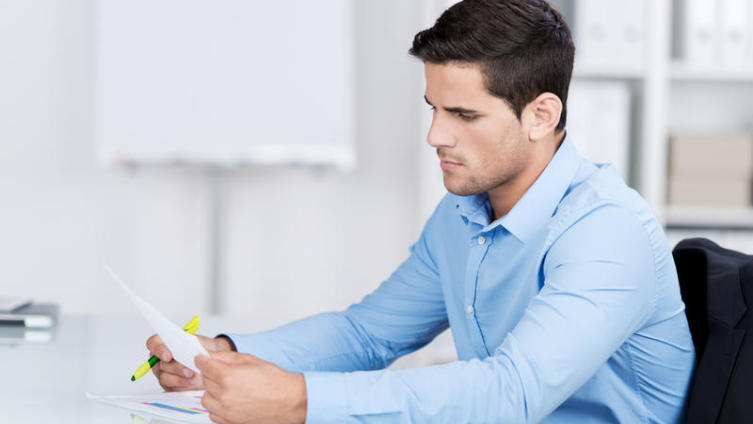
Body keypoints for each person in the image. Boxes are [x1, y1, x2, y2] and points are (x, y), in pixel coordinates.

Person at [146, 1, 695, 422]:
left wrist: (299, 399)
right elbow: (368, 335)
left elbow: (512, 393)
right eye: (434, 108)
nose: (435, 135)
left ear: (541, 115)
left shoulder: (607, 230)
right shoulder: (465, 212)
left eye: (464, 115)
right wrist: (225, 356)